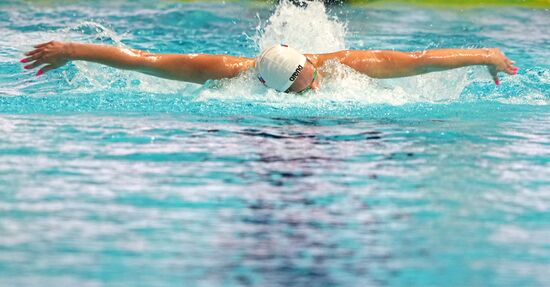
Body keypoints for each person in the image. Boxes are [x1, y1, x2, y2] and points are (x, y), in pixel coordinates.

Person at [21, 41, 517, 94]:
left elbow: (419, 62)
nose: (313, 87)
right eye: (300, 90)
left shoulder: (347, 67)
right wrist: (71, 49)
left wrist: (486, 55)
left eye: (310, 78)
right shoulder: (224, 73)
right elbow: (145, 62)